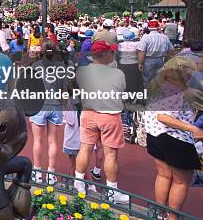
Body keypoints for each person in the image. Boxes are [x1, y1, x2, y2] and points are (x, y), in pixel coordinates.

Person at [142, 58, 202, 220]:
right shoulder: (174, 90)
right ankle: (173, 217)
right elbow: (164, 116)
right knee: (181, 181)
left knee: (164, 174)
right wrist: (193, 128)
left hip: (155, 135)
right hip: (175, 138)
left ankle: (161, 214)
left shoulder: (158, 84)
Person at [73, 41, 129, 204]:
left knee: (85, 149)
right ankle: (113, 192)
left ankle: (79, 185)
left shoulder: (82, 71)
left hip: (88, 114)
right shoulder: (118, 73)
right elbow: (121, 90)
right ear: (105, 55)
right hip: (109, 116)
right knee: (110, 154)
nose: (113, 55)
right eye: (110, 52)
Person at [28, 42, 68, 185]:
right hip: (55, 105)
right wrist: (62, 107)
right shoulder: (61, 67)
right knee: (53, 141)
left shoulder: (36, 66)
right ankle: (51, 174)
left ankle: (37, 172)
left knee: (38, 141)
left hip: (39, 105)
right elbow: (65, 90)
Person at [138, 19, 174, 88]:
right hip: (161, 59)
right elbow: (170, 50)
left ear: (148, 28)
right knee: (160, 78)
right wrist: (167, 59)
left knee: (147, 79)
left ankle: (148, 94)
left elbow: (141, 51)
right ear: (158, 27)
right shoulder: (165, 37)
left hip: (149, 60)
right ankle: (158, 95)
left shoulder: (145, 38)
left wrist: (140, 62)